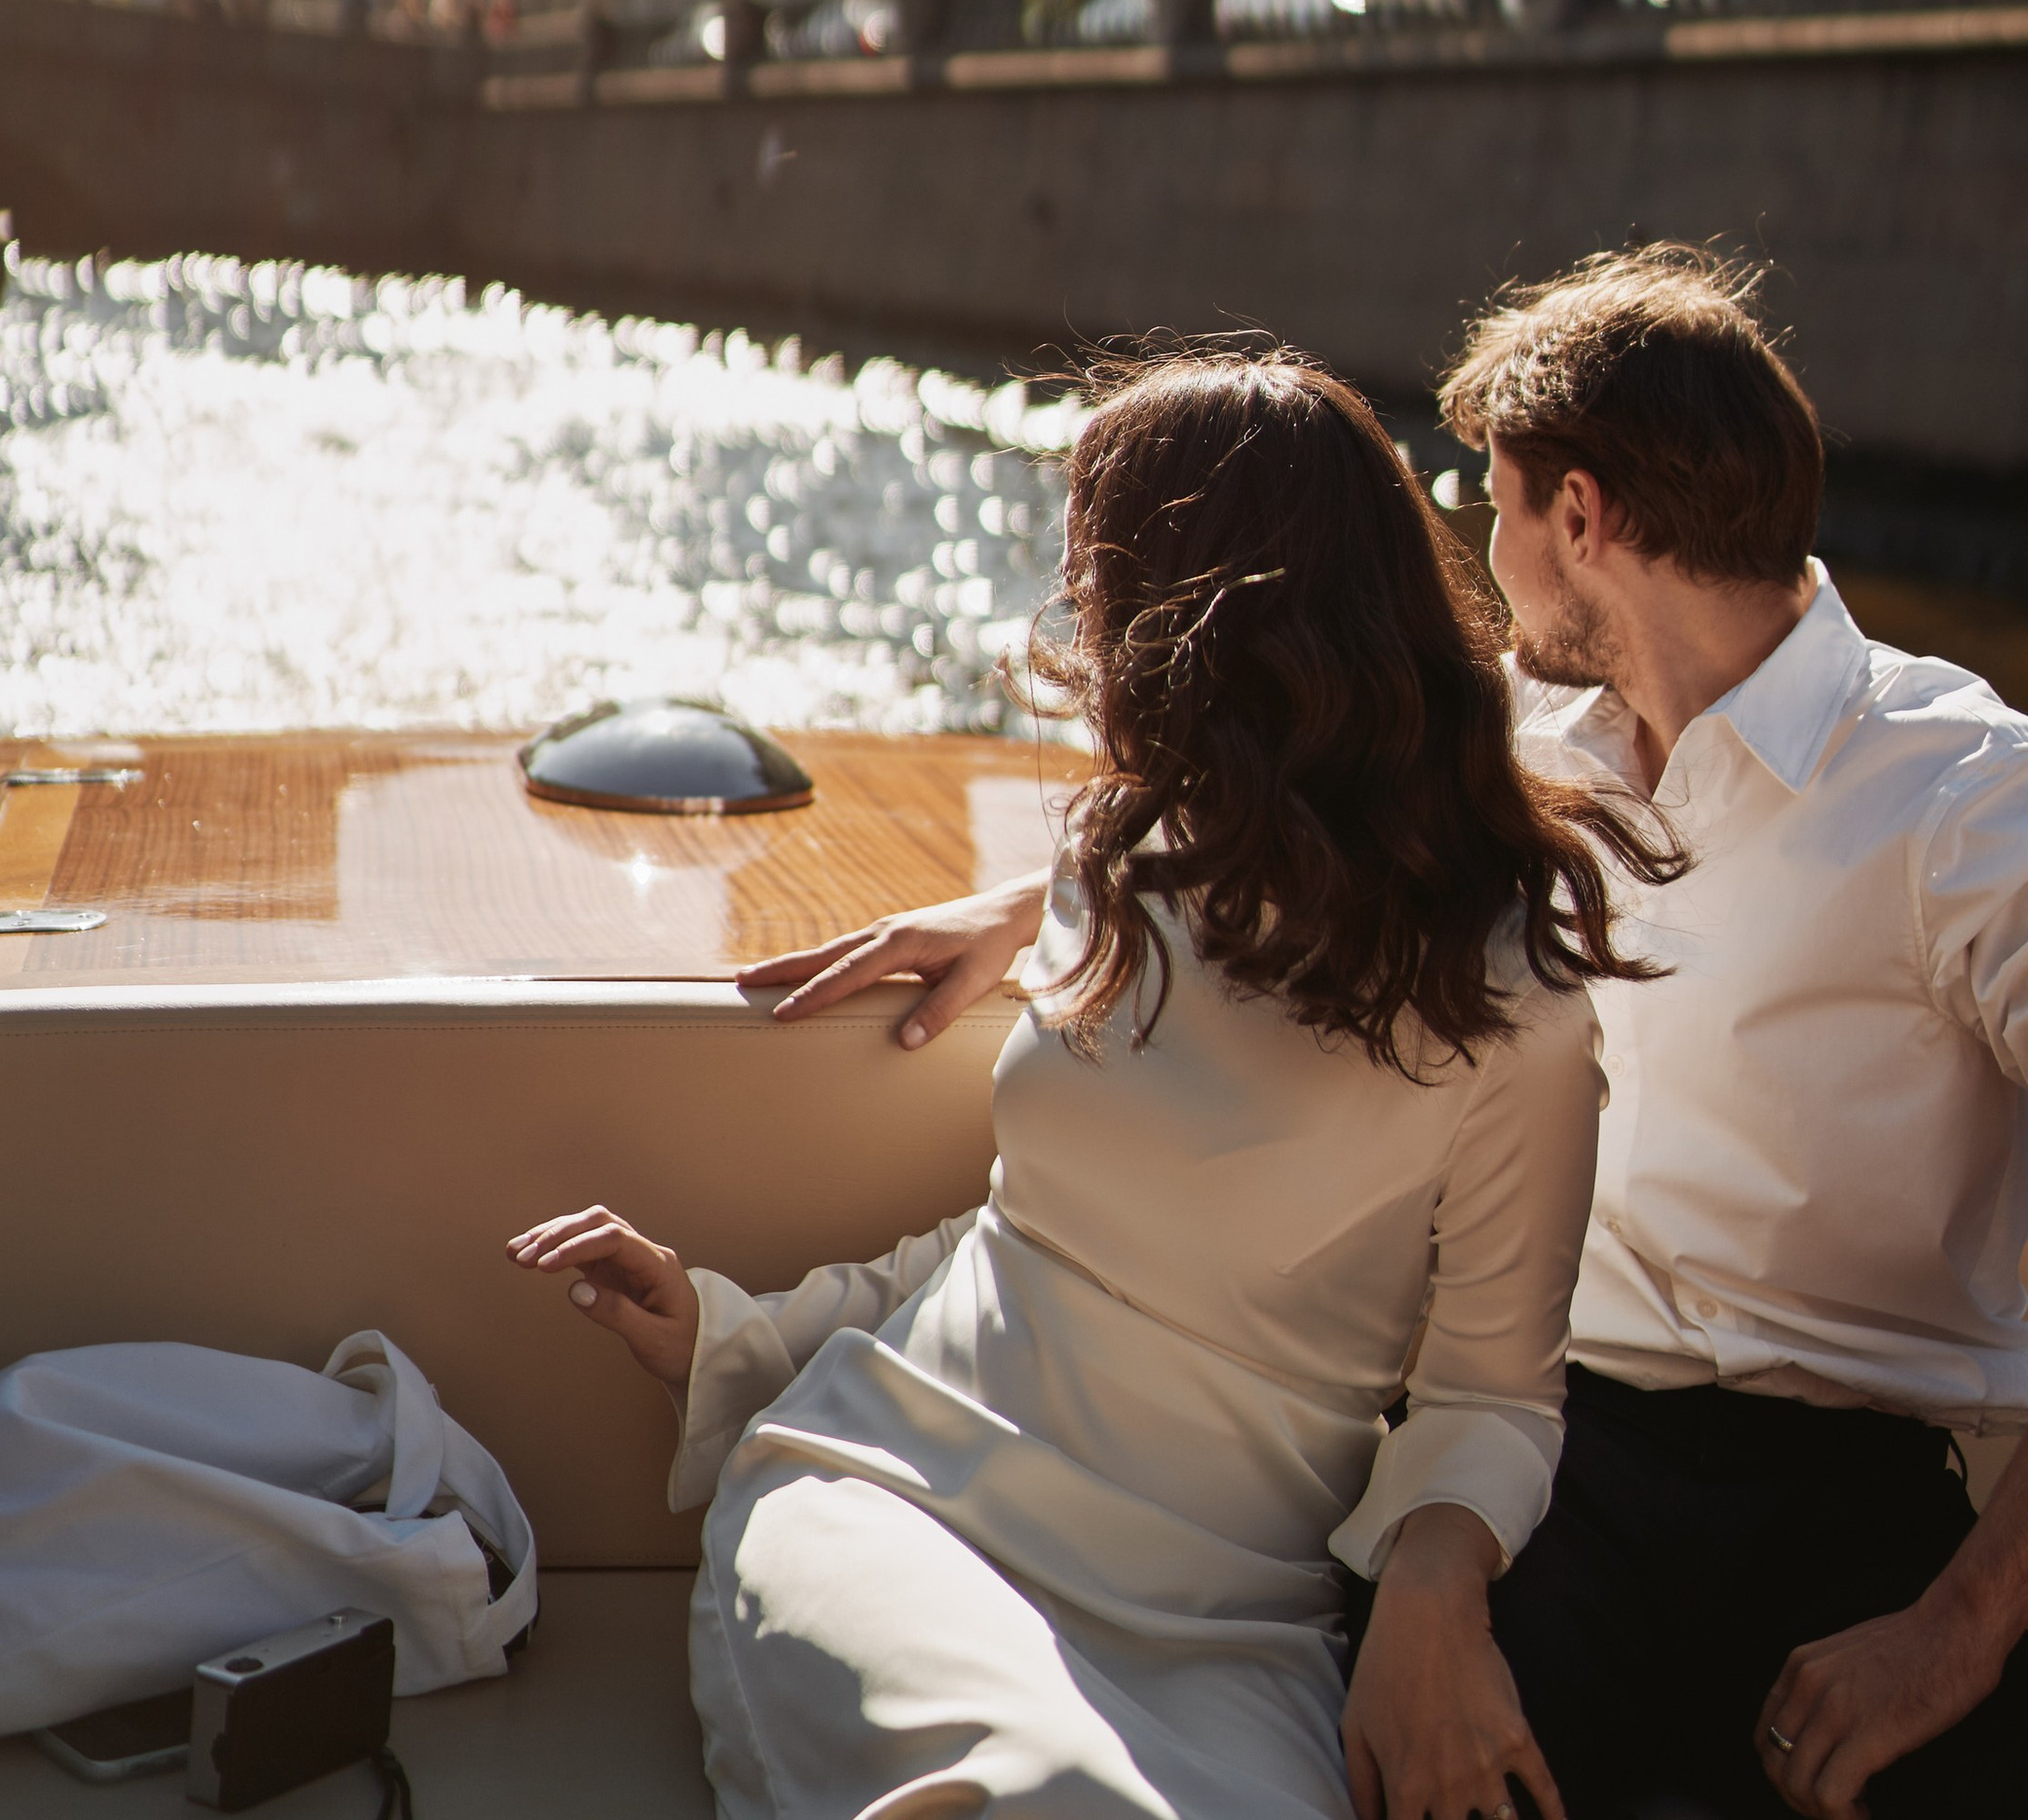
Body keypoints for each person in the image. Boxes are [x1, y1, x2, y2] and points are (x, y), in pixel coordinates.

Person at [812, 251, 2028, 1820]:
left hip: (1841, 1507)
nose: (1483, 545)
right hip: (1518, 1471)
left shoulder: (1966, 791)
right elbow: (1283, 814)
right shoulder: (1511, 739)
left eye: (1496, 500)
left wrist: (1958, 1631)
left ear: (1579, 518)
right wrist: (1036, 905)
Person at [508, 349, 1679, 1820]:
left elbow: (1496, 1398)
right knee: (1047, 1795)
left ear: (1211, 621)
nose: (1081, 629)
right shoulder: (1118, 863)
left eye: (1102, 586)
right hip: (900, 1506)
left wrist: (1433, 1601)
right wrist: (732, 1333)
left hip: (1230, 1626)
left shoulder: (1513, 994)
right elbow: (1019, 1243)